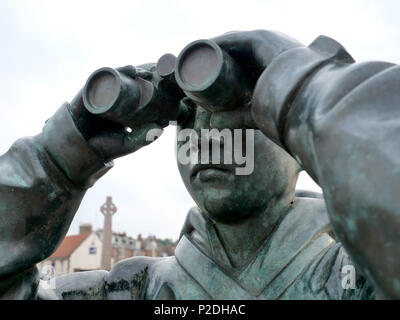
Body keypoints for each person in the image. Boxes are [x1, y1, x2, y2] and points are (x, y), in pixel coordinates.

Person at [1, 30, 399, 300]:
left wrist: (304, 85)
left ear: (294, 136)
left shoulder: (355, 278)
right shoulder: (133, 288)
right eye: (189, 119)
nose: (210, 138)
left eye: (241, 115)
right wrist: (56, 159)